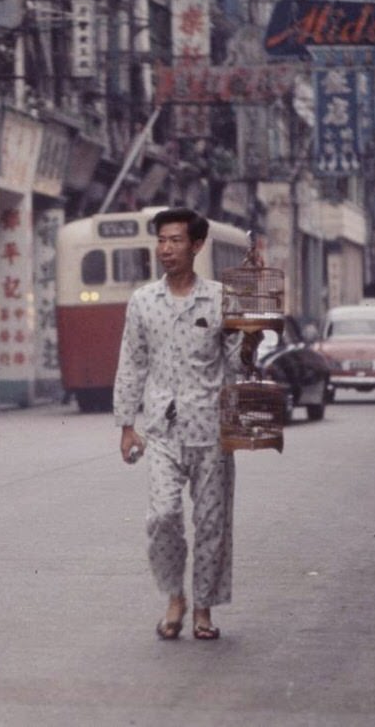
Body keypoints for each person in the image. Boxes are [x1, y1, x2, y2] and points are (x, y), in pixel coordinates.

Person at [113, 207, 241, 641]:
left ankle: (203, 607)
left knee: (211, 521)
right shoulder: (143, 301)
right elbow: (132, 362)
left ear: (197, 245)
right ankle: (174, 595)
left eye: (175, 241)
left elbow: (239, 362)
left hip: (211, 429)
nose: (166, 250)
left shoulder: (222, 299)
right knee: (163, 515)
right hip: (162, 432)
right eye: (161, 241)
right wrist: (127, 424)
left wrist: (253, 338)